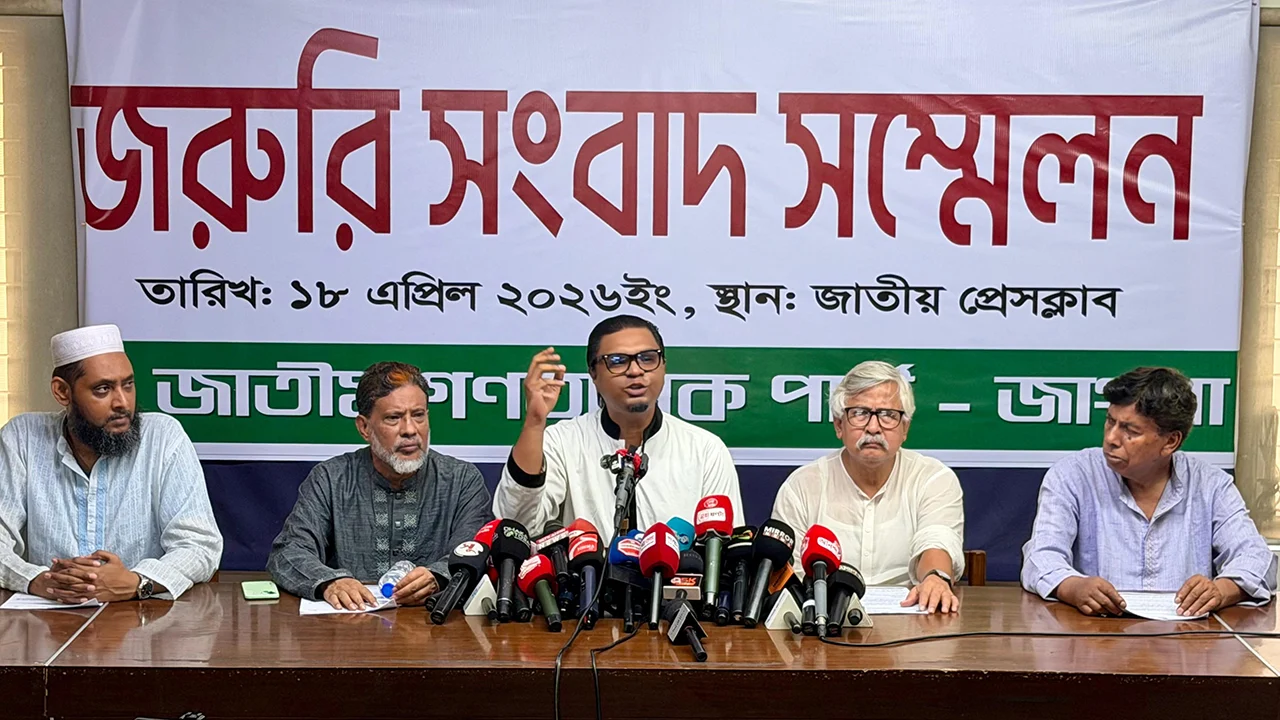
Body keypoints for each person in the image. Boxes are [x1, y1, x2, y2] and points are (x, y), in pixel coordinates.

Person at [1022, 366, 1277, 616]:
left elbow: (1257, 560)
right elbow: (1041, 557)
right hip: (1094, 633)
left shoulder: (1211, 485)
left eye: (1130, 431)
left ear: (1170, 442)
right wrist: (1073, 586)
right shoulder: (1072, 475)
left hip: (1187, 636)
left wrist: (1221, 591)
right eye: (1110, 421)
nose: (1111, 438)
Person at [0, 324, 222, 601]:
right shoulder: (23, 437)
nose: (122, 403)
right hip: (47, 616)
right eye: (103, 389)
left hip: (143, 619)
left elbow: (199, 545)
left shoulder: (163, 436)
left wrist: (137, 582)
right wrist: (37, 580)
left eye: (128, 385)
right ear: (62, 392)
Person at [492, 315, 743, 541]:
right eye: (618, 361)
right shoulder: (562, 441)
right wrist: (535, 423)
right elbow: (519, 527)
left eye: (648, 358)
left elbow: (724, 549)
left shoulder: (704, 449)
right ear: (593, 373)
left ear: (664, 366)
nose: (635, 371)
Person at [267, 362, 492, 610]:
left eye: (419, 415)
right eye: (393, 418)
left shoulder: (462, 480)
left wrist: (439, 576)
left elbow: (475, 553)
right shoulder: (331, 479)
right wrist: (330, 582)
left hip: (433, 624)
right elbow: (288, 552)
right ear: (364, 427)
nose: (410, 430)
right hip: (350, 624)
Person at [772, 361, 965, 613]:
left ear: (905, 428)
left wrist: (935, 578)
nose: (873, 428)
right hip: (822, 622)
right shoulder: (802, 487)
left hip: (912, 622)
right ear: (839, 425)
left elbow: (936, 539)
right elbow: (788, 576)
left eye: (888, 415)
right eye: (860, 413)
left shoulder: (934, 478)